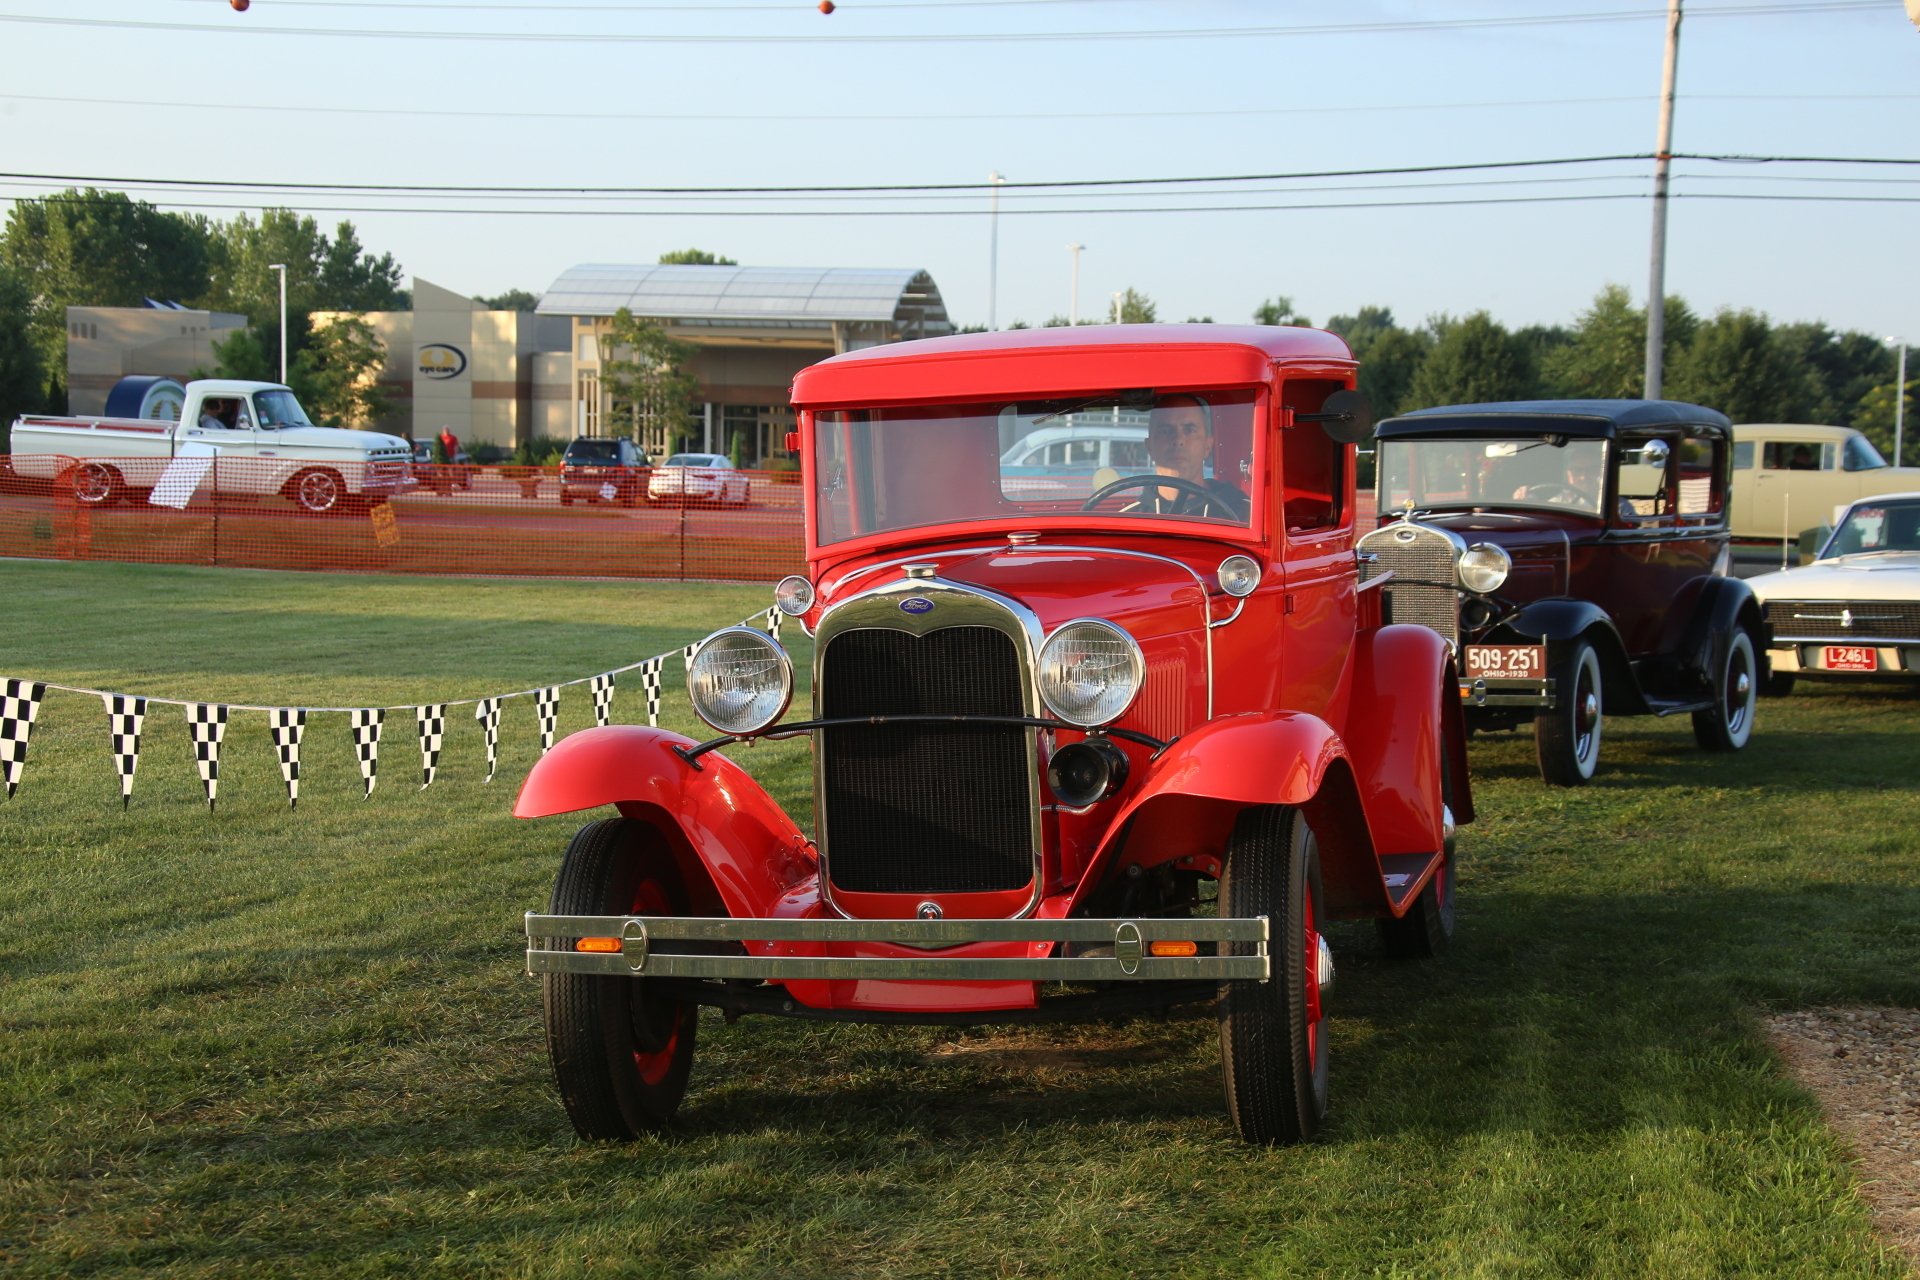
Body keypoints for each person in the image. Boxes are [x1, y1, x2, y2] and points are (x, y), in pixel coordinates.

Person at [1122, 394, 1246, 518]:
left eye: (1190, 430)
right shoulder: (1127, 523)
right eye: (1166, 431)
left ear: (1207, 446)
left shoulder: (1244, 515)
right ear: (1149, 447)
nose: (1178, 440)